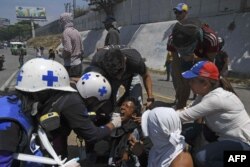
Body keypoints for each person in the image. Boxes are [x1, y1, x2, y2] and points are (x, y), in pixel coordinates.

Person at [0, 58, 121, 166]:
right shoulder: (8, 124)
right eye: (57, 92)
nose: (60, 97)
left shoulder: (18, 107)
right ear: (41, 92)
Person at [178, 61, 250, 167]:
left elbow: (183, 116)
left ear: (205, 83)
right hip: (223, 137)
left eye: (193, 80)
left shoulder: (215, 99)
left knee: (201, 157)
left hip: (243, 145)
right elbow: (186, 110)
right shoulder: (204, 94)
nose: (189, 83)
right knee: (184, 131)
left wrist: (153, 116)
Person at [167, 18, 219, 109]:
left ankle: (202, 115)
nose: (183, 52)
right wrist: (180, 83)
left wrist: (197, 59)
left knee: (205, 88)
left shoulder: (210, 38)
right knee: (183, 85)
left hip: (203, 57)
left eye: (186, 49)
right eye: (180, 50)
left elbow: (210, 64)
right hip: (187, 59)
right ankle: (180, 108)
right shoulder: (172, 39)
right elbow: (175, 63)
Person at [85, 45, 154, 112]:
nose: (119, 77)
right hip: (110, 78)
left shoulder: (136, 61)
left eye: (120, 71)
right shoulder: (98, 61)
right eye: (116, 73)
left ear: (125, 60)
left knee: (135, 106)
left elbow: (146, 76)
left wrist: (150, 98)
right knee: (108, 106)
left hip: (131, 75)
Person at [108, 96, 142, 167]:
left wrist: (127, 152)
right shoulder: (118, 126)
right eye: (122, 105)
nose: (122, 108)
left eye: (127, 106)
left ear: (134, 115)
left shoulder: (133, 130)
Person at [59, 12, 84, 81]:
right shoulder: (77, 31)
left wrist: (61, 54)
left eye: (61, 21)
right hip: (78, 65)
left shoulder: (66, 32)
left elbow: (68, 50)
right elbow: (82, 49)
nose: (60, 23)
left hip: (70, 66)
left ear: (64, 21)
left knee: (70, 88)